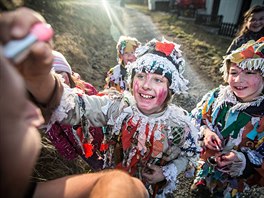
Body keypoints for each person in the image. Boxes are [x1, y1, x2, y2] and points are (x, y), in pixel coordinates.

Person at [5, 10, 200, 196]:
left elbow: (190, 154)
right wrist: (40, 76)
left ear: (171, 88)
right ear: (132, 80)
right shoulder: (117, 107)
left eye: (158, 80)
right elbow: (75, 106)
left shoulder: (180, 124)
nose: (146, 86)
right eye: (140, 76)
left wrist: (166, 172)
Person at [190, 38, 264, 197]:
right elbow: (195, 118)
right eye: (234, 72)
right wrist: (205, 133)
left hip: (234, 183)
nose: (238, 80)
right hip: (206, 166)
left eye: (249, 72)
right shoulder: (217, 97)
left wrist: (242, 160)